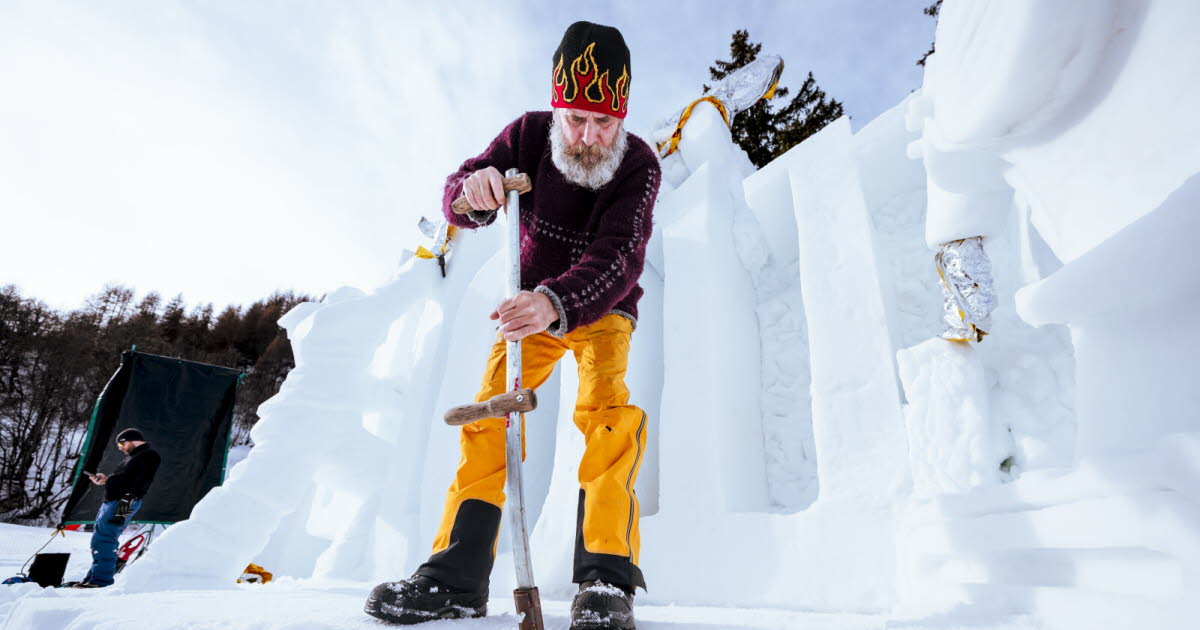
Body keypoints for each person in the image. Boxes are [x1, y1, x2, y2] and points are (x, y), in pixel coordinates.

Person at [364, 20, 661, 630]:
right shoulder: (526, 135)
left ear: (622, 118)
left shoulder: (638, 165)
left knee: (608, 419)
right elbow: (455, 193)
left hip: (603, 308)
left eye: (603, 123)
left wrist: (556, 301)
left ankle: (606, 580)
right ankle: (456, 578)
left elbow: (620, 257)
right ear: (557, 106)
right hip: (530, 310)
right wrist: (473, 192)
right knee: (490, 422)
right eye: (576, 118)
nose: (586, 137)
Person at [75, 428, 161, 588]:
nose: (120, 447)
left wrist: (126, 503)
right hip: (114, 501)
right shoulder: (133, 457)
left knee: (106, 539)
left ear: (132, 439)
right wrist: (106, 480)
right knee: (99, 539)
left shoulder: (148, 455)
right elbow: (127, 479)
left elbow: (141, 481)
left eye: (122, 443)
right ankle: (93, 578)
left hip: (122, 502)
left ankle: (100, 580)